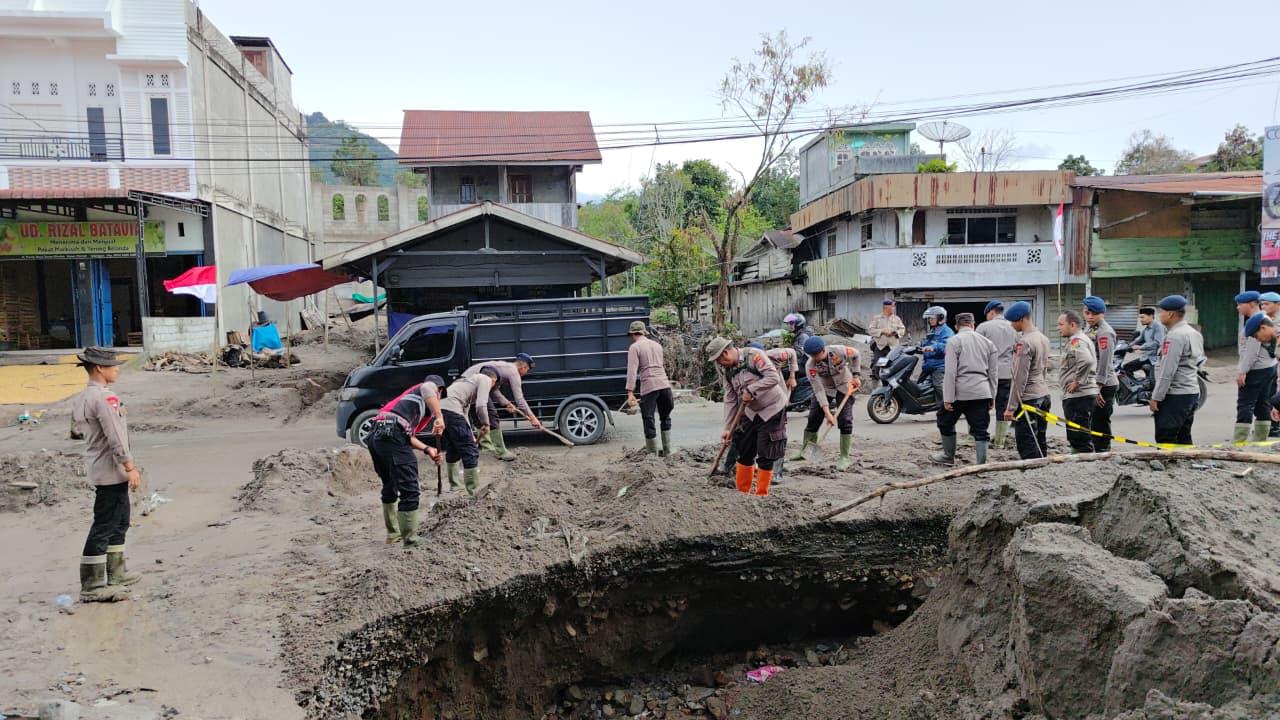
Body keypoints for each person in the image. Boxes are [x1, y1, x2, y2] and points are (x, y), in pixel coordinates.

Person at [71, 347, 143, 603]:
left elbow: (76, 432)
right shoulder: (104, 398)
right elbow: (115, 435)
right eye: (113, 366)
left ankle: (116, 572)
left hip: (100, 466)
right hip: (111, 469)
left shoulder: (81, 397)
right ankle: (92, 585)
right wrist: (130, 466)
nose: (117, 369)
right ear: (99, 368)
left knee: (120, 521)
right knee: (104, 525)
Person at [367, 376, 445, 547]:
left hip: (377, 435)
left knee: (390, 484)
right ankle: (410, 539)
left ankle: (393, 534)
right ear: (439, 390)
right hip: (391, 433)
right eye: (440, 394)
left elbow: (407, 436)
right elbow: (427, 388)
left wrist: (427, 449)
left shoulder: (405, 407)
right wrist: (439, 416)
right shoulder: (427, 388)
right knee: (410, 488)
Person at [707, 337, 788, 496]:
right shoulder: (726, 371)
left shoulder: (754, 356)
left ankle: (761, 493)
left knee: (765, 452)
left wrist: (751, 390)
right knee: (744, 449)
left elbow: (773, 378)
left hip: (772, 408)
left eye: (718, 360)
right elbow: (730, 398)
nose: (718, 364)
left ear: (725, 353)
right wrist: (728, 427)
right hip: (750, 411)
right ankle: (742, 492)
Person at [931, 313, 998, 466]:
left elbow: (950, 372)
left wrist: (947, 398)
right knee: (980, 429)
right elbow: (993, 373)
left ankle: (948, 456)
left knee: (945, 420)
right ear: (973, 325)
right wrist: (992, 396)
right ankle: (981, 464)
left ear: (956, 326)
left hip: (959, 392)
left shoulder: (954, 341)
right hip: (981, 392)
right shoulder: (988, 343)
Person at [792, 337, 861, 470]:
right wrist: (827, 412)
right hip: (825, 388)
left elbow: (856, 354)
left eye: (816, 355)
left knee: (845, 420)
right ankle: (805, 451)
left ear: (823, 350)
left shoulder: (839, 351)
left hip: (845, 385)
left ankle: (844, 457)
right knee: (813, 418)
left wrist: (856, 375)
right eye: (811, 355)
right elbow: (818, 389)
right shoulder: (810, 365)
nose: (814, 358)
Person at [462, 353, 540, 461]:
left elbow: (494, 391)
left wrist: (506, 403)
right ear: (523, 367)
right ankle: (500, 451)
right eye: (527, 370)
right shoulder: (514, 373)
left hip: (465, 383)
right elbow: (520, 400)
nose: (526, 373)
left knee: (479, 417)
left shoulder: (505, 368)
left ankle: (488, 449)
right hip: (472, 384)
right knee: (492, 415)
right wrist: (532, 417)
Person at [1150, 295, 1205, 446]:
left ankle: (1169, 465)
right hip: (1190, 392)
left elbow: (1167, 371)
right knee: (1183, 435)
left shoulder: (1174, 336)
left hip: (1175, 394)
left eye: (1160, 311)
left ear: (1170, 314)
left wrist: (1156, 397)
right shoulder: (1193, 332)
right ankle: (1186, 465)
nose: (1158, 315)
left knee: (1166, 435)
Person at [1003, 302, 1052, 460]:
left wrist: (1011, 407)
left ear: (1022, 319)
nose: (1011, 325)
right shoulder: (1043, 338)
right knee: (1040, 437)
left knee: (1027, 441)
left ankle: (1033, 472)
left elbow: (1019, 377)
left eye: (1013, 321)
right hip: (1043, 394)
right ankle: (1043, 467)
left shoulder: (1024, 342)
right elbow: (1044, 368)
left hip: (1029, 399)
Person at [438, 368, 496, 496]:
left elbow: (464, 414)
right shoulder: (485, 379)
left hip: (441, 411)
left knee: (453, 449)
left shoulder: (465, 384)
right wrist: (486, 423)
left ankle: (455, 487)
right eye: (493, 384)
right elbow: (481, 405)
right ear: (492, 380)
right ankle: (473, 492)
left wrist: (470, 434)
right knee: (470, 451)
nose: (491, 388)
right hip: (452, 410)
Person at [625, 321, 674, 456]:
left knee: (649, 419)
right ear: (644, 332)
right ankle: (667, 451)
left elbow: (632, 371)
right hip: (665, 385)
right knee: (665, 417)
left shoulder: (635, 347)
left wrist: (630, 392)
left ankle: (652, 455)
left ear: (633, 334)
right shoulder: (657, 345)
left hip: (649, 386)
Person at [977, 300, 1017, 448]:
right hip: (1007, 373)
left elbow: (977, 349)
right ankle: (1000, 441)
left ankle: (979, 437)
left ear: (992, 312)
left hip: (986, 373)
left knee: (981, 405)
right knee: (1003, 406)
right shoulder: (1013, 326)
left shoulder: (983, 327)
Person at [1058, 310, 1099, 453]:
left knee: (1079, 436)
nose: (1058, 328)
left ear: (1073, 324)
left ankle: (1084, 464)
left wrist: (1077, 381)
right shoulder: (1077, 340)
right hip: (1078, 395)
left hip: (1079, 395)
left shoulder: (1077, 340)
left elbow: (1086, 361)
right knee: (1077, 434)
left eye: (1061, 324)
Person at [1082, 296, 1119, 452]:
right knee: (1093, 419)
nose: (1090, 316)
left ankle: (1103, 451)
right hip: (1093, 382)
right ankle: (1097, 449)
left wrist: (1097, 387)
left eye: (1094, 314)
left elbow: (1105, 362)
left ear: (1102, 313)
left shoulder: (1104, 332)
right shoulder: (1089, 328)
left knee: (1101, 420)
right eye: (1087, 312)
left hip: (1104, 384)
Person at [1234, 312, 1277, 443]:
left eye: (1255, 336)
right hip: (1270, 369)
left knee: (1246, 404)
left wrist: (1242, 371)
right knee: (1264, 403)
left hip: (1258, 371)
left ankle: (1239, 443)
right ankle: (1259, 441)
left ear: (1263, 328)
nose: (1256, 339)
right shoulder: (1274, 335)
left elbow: (1251, 353)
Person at [920, 306, 954, 403]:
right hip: (929, 365)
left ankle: (949, 405)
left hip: (939, 365)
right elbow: (927, 342)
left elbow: (947, 344)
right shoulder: (933, 330)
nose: (930, 320)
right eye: (929, 318)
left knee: (938, 385)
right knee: (919, 385)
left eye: (932, 318)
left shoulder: (947, 331)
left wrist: (934, 347)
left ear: (940, 318)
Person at [1126, 307, 1165, 386]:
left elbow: (1157, 343)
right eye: (1140, 317)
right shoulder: (1146, 329)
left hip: (1155, 360)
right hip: (1147, 357)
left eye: (1142, 317)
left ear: (1150, 316)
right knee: (1127, 367)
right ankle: (1138, 387)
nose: (1141, 319)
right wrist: (1128, 345)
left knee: (1153, 382)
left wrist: (1140, 347)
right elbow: (1139, 339)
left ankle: (1153, 395)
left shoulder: (1158, 327)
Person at [867, 299, 905, 378]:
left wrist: (895, 332)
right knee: (878, 367)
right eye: (892, 306)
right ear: (886, 307)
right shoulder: (877, 318)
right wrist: (882, 331)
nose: (894, 308)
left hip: (893, 348)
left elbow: (902, 329)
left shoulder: (896, 319)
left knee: (892, 366)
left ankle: (891, 385)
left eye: (894, 306)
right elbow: (870, 330)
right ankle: (878, 385)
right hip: (881, 348)